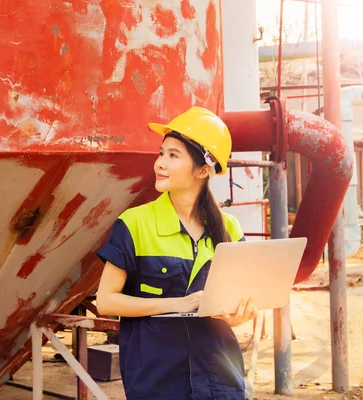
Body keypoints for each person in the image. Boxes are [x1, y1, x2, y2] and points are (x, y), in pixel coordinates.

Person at [95, 107, 257, 400]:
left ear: (203, 170)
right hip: (157, 380)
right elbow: (106, 301)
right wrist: (180, 303)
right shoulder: (135, 224)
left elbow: (242, 302)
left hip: (219, 379)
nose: (160, 163)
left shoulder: (230, 228)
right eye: (161, 153)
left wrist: (238, 317)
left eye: (173, 155)